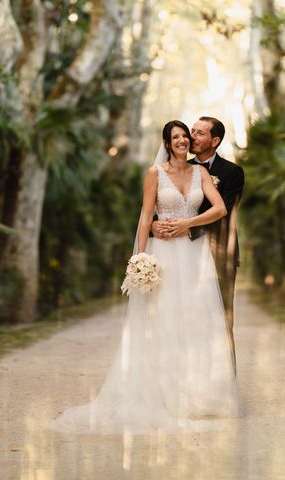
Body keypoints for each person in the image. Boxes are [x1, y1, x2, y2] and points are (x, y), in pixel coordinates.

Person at [48, 120, 239, 435]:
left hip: (193, 256)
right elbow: (144, 215)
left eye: (184, 136)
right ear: (166, 143)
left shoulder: (201, 173)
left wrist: (186, 224)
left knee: (194, 322)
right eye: (175, 137)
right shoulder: (155, 174)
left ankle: (196, 397)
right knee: (162, 321)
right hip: (162, 254)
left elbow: (219, 209)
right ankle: (164, 395)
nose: (182, 140)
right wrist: (139, 258)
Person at [153, 117, 244, 373]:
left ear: (214, 141)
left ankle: (225, 383)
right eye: (191, 131)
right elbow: (156, 208)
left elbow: (225, 210)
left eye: (199, 133)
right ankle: (185, 377)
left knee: (222, 319)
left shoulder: (232, 172)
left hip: (219, 253)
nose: (191, 137)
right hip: (182, 253)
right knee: (183, 318)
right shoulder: (180, 166)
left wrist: (187, 225)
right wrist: (154, 226)